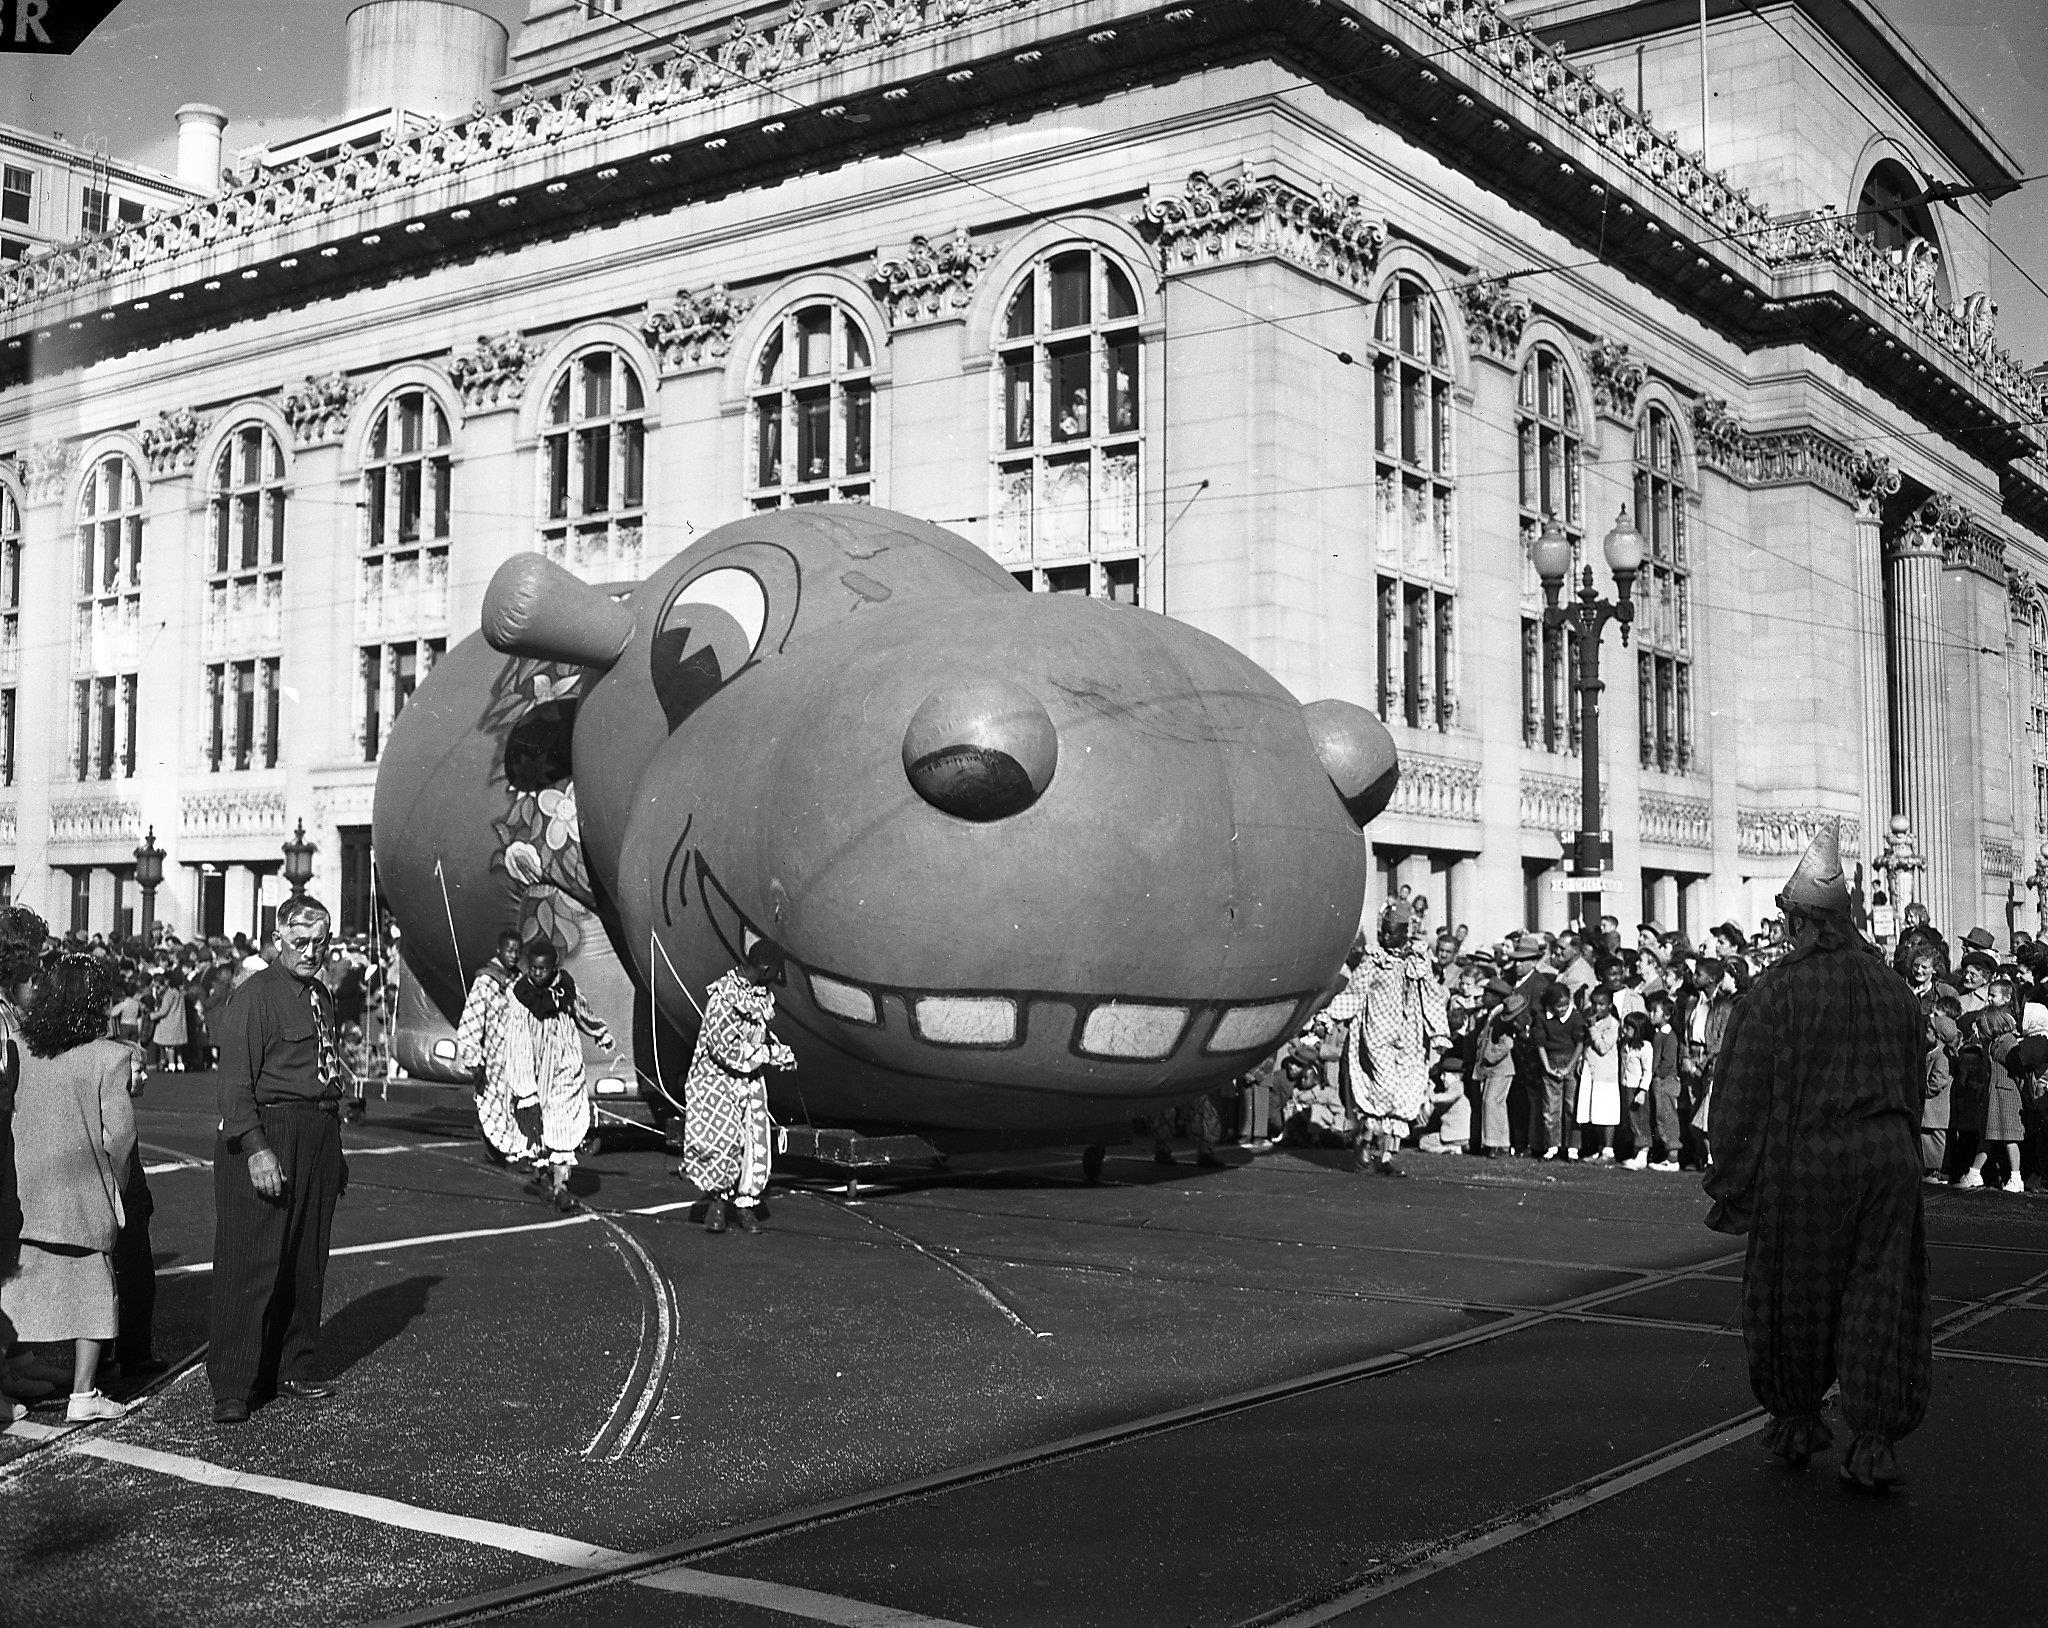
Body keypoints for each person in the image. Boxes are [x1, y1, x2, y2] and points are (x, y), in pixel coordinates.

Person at [1705, 827, 1930, 1493]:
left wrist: (1734, 1181)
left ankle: (1799, 1419)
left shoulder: (1774, 993)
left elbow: (1739, 1098)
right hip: (1888, 1159)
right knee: (1880, 1295)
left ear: (1799, 921)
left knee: (1796, 1291)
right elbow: (1913, 1085)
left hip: (1811, 1163)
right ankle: (1874, 1441)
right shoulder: (1894, 989)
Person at [206, 897, 348, 1426]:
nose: (311, 952)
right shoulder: (254, 996)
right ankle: (232, 1384)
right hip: (269, 1131)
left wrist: (335, 1151)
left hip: (317, 1132)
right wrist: (257, 1149)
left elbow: (325, 1076)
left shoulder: (321, 996)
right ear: (277, 940)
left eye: (320, 943)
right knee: (251, 1261)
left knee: (306, 1261)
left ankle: (292, 1366)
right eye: (300, 942)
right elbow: (234, 1085)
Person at [0, 956, 137, 1422]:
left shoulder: (20, 1046)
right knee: (95, 1291)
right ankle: (83, 1394)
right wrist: (115, 1187)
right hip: (82, 1195)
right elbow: (120, 1136)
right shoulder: (109, 1057)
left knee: (11, 1293)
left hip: (25, 1191)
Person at [678, 939, 796, 1232]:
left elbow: (758, 1036)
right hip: (717, 1080)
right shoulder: (724, 998)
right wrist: (770, 1055)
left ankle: (745, 1205)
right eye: (776, 971)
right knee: (723, 1141)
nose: (777, 978)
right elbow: (724, 1049)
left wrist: (779, 1051)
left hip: (749, 1078)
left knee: (755, 1141)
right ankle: (717, 1204)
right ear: (765, 968)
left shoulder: (759, 995)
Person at [1326, 901, 1448, 1177]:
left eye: (1390, 932)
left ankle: (1386, 1157)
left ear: (1404, 933)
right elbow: (1354, 993)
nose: (1384, 936)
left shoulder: (1418, 959)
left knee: (1405, 1093)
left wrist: (1439, 1032)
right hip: (1378, 1035)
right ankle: (1364, 1143)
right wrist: (1330, 1017)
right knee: (1384, 1089)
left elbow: (1431, 996)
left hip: (1410, 1037)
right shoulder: (1373, 960)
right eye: (1382, 931)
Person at [499, 938, 614, 1209]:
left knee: (563, 1121)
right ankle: (544, 1178)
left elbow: (582, 1010)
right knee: (536, 1127)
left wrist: (599, 1032)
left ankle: (562, 1186)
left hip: (564, 1063)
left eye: (543, 969)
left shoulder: (566, 989)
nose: (537, 973)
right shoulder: (520, 996)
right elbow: (517, 1045)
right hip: (534, 1068)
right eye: (533, 969)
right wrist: (525, 1090)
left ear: (553, 968)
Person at [454, 929, 532, 1166]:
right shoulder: (486, 982)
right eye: (509, 950)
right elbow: (472, 1020)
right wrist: (473, 1058)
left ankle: (516, 1151)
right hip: (494, 1059)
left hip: (518, 1058)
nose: (513, 956)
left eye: (517, 951)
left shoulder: (521, 982)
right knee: (495, 1106)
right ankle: (501, 1149)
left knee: (519, 1106)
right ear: (499, 950)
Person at [1575, 988, 1622, 1161]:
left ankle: (1608, 1150)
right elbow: (1587, 1044)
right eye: (1594, 1003)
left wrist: (1592, 1028)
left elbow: (1602, 1047)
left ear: (1610, 1005)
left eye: (1602, 1004)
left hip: (1605, 1074)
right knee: (1594, 1112)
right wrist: (1581, 1060)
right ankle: (1600, 1149)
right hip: (1591, 1072)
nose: (1597, 1008)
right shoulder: (1592, 1020)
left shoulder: (1613, 1024)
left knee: (1606, 1114)